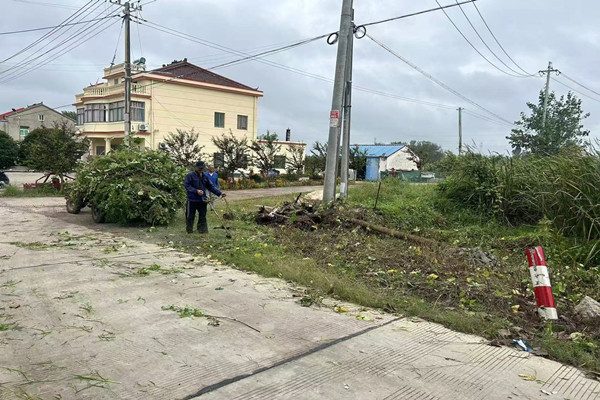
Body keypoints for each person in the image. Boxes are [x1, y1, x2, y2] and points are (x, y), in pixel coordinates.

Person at [184, 161, 226, 234]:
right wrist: (196, 191)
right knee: (190, 216)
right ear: (196, 167)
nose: (201, 170)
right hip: (192, 199)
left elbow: (210, 187)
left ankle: (202, 230)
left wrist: (220, 193)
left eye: (202, 168)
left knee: (203, 215)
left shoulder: (205, 177)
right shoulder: (190, 176)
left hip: (202, 199)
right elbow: (187, 186)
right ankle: (189, 231)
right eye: (199, 168)